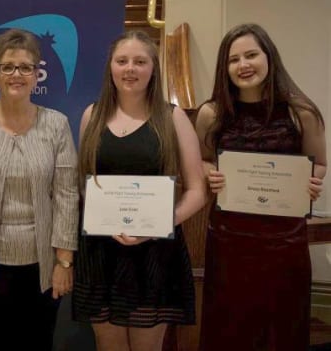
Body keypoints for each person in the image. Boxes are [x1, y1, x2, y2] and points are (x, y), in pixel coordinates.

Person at [195, 23, 326, 350]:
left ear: (269, 57)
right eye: (233, 59)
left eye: (251, 55)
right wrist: (210, 173)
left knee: (282, 327)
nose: (243, 65)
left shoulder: (301, 112)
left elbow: (320, 163)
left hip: (283, 241)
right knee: (229, 326)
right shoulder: (211, 113)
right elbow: (203, 159)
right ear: (224, 68)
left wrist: (312, 181)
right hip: (229, 241)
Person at [72, 30, 206, 351]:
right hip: (101, 251)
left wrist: (156, 226)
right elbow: (84, 184)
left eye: (140, 61)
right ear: (111, 68)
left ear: (153, 69)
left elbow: (197, 190)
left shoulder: (172, 117)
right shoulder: (92, 115)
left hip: (154, 253)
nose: (130, 68)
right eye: (122, 61)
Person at [0, 29, 79, 350]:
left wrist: (64, 263)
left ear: (37, 74)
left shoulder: (56, 125)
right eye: (8, 67)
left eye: (26, 67)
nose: (17, 74)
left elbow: (68, 195)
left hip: (41, 267)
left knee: (36, 343)